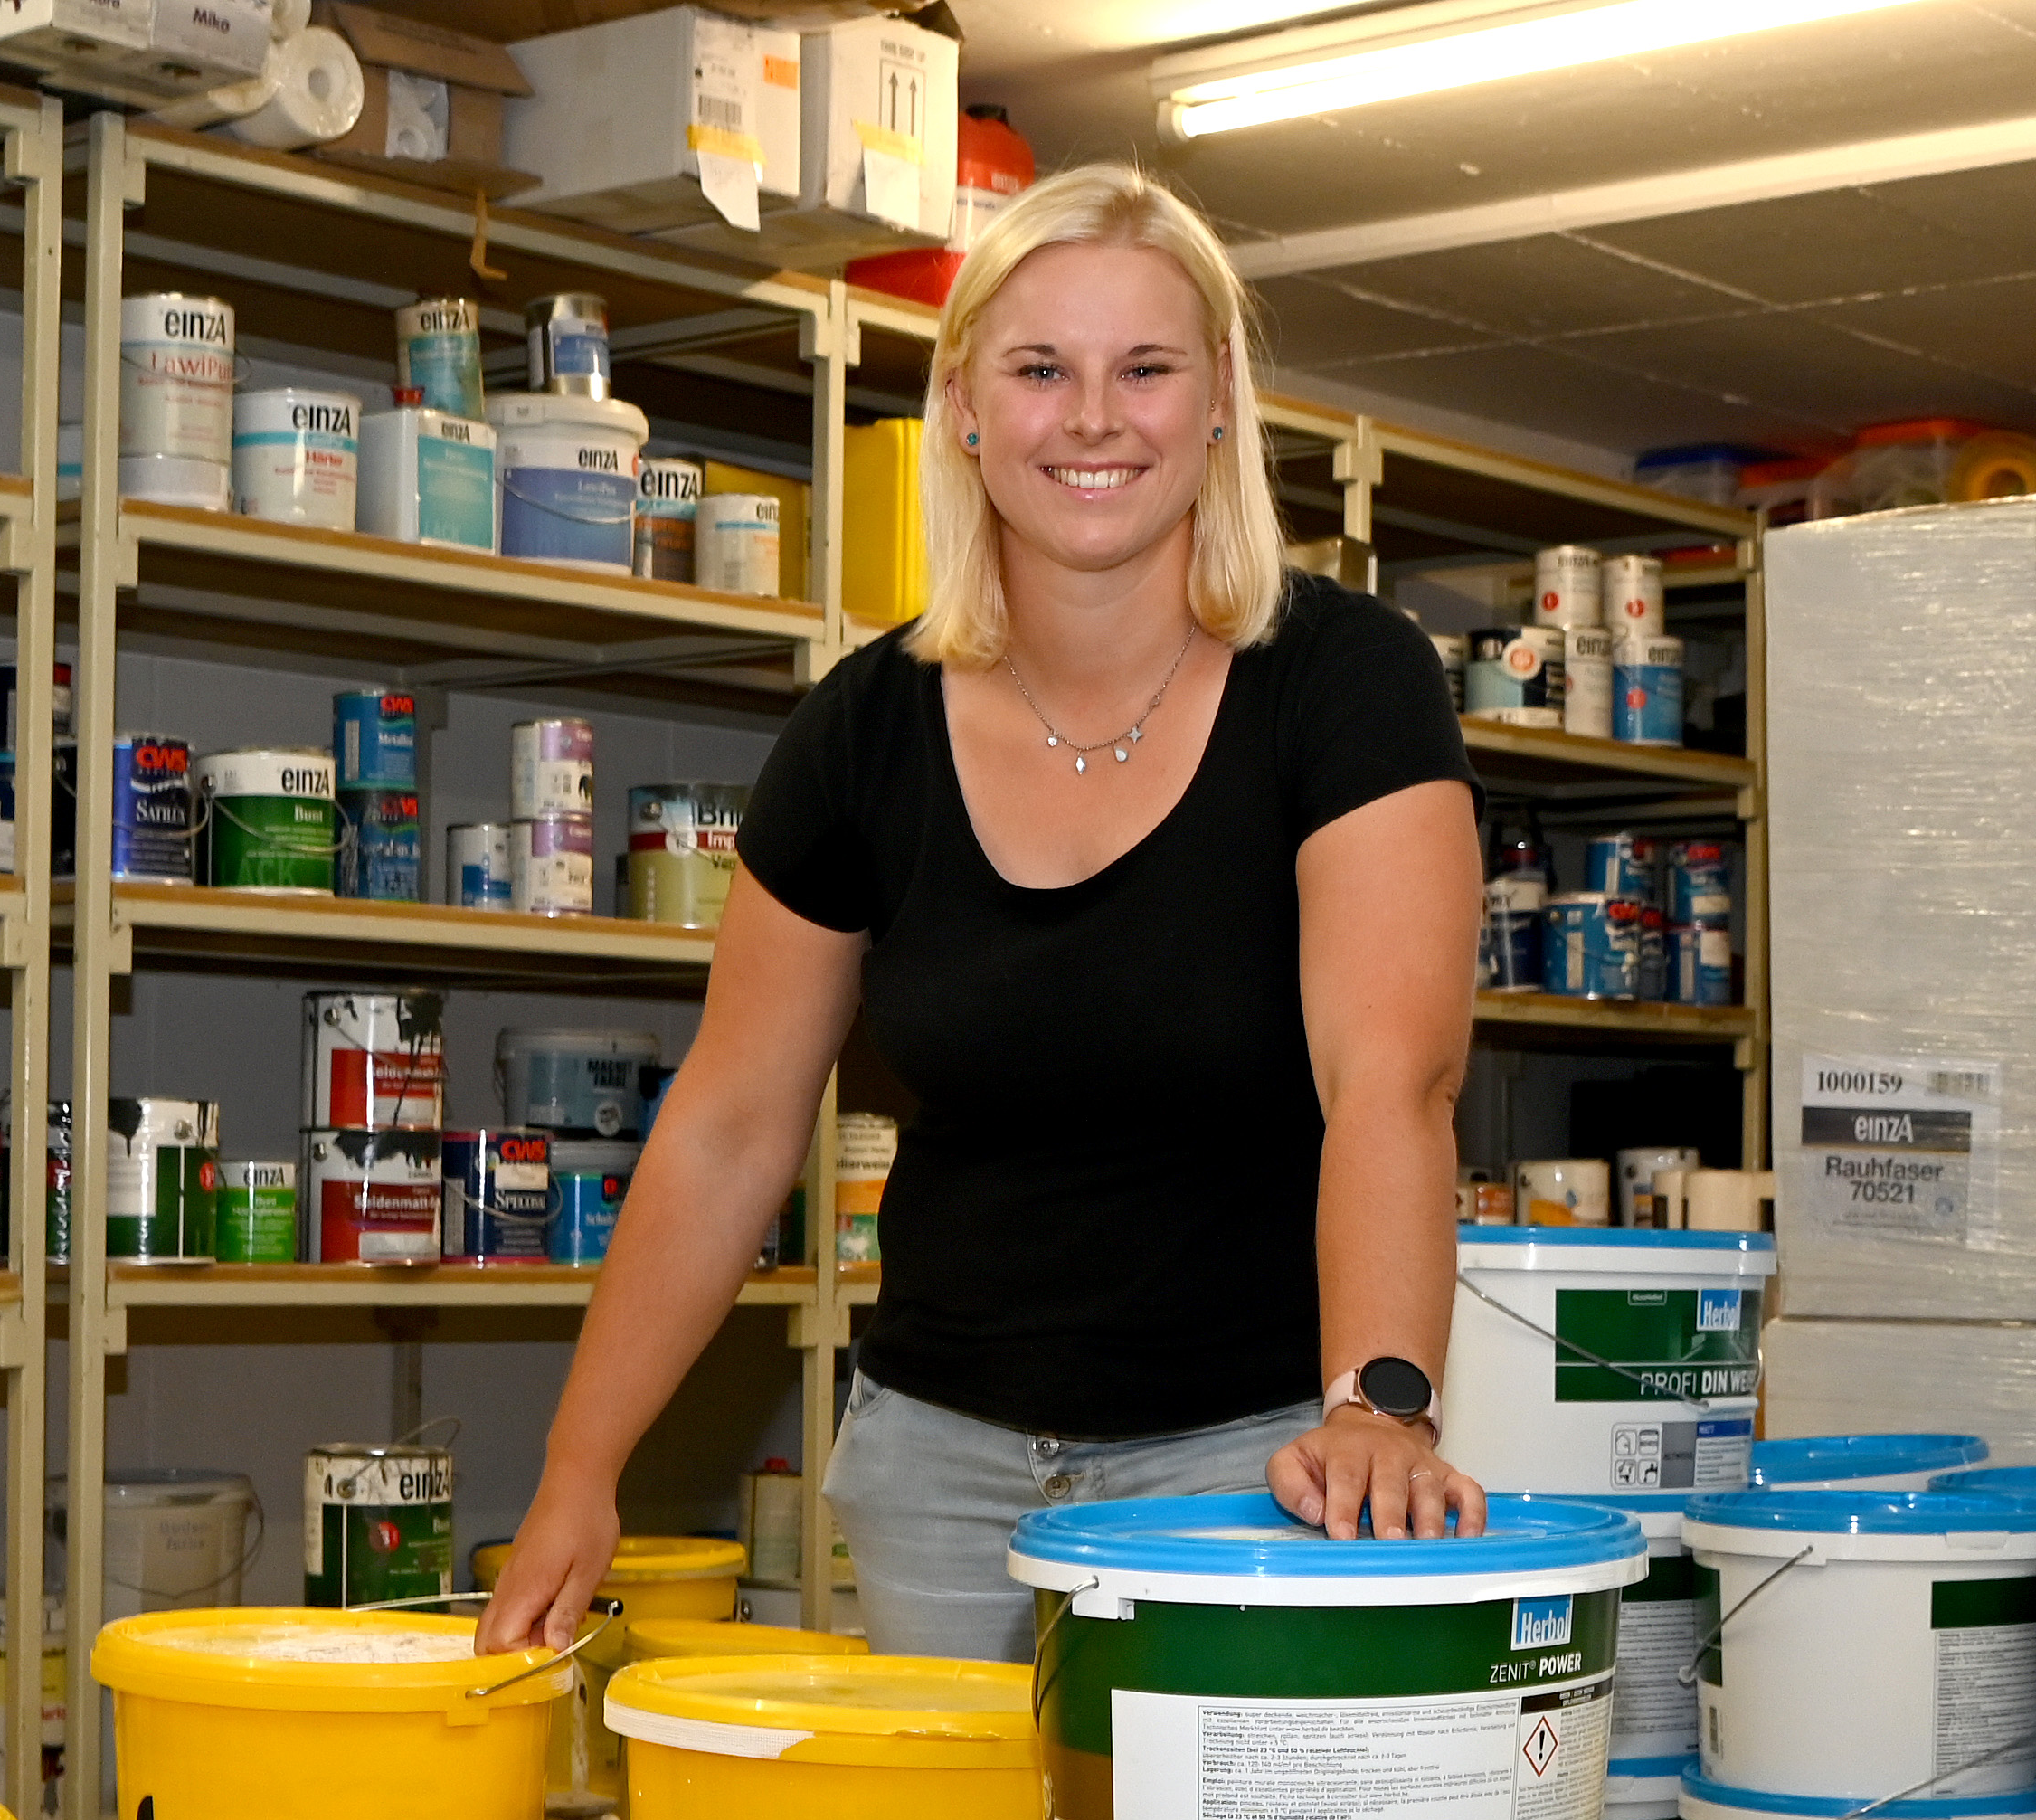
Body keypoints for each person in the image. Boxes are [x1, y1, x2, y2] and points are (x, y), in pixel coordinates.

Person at [479, 162, 1488, 1663]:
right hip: (936, 1465)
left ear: (1217, 398)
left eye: (1144, 369)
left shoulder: (1344, 685)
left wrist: (1382, 1405)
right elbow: (729, 1126)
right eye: (1039, 369)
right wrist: (580, 1469)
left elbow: (1390, 1087)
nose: (1093, 417)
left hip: (1254, 1465)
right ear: (962, 404)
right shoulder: (860, 732)